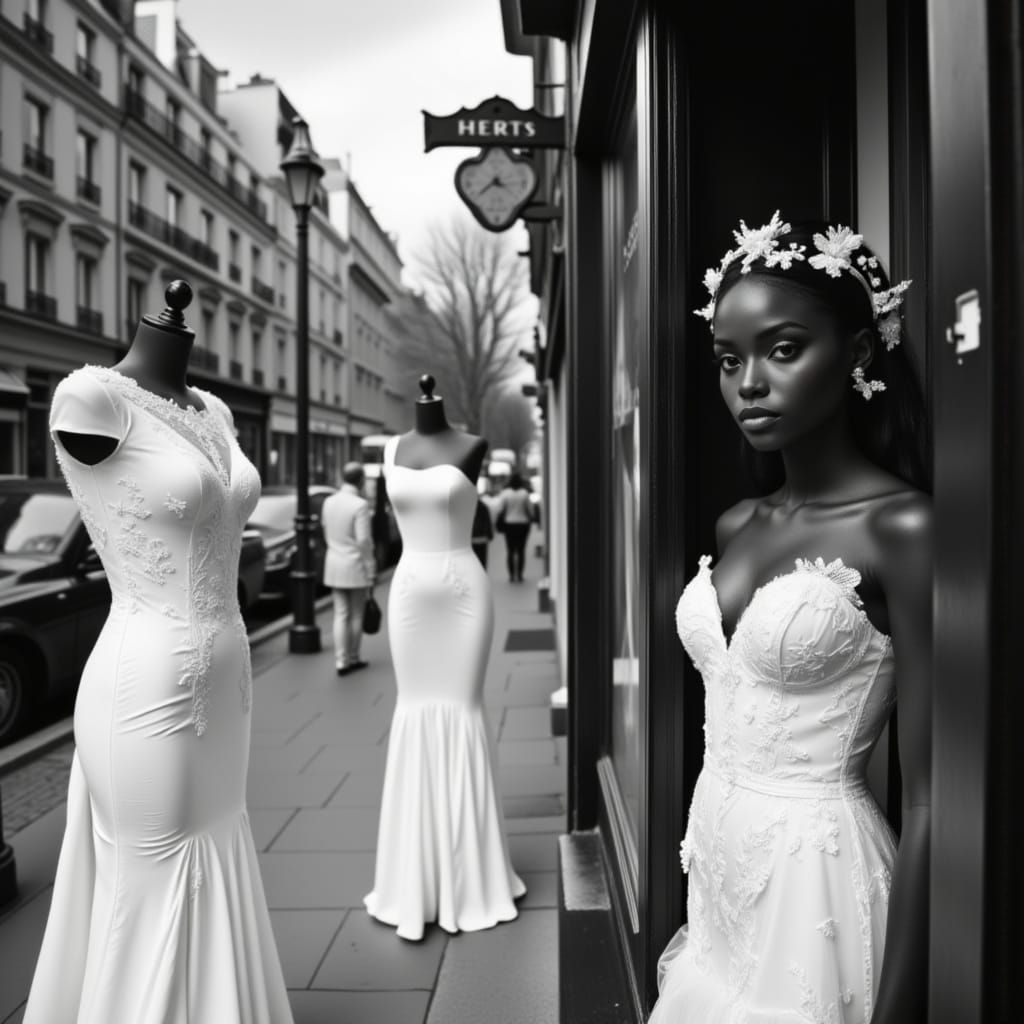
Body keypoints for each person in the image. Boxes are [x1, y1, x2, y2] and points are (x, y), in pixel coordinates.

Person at [650, 214, 931, 1023]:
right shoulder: (737, 524)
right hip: (718, 870)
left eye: (782, 349)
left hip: (819, 891)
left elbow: (933, 797)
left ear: (858, 351)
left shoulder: (902, 528)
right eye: (728, 359)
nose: (749, 384)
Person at [26, 282, 293, 1023]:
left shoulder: (216, 411)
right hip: (145, 682)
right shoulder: (91, 400)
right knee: (155, 874)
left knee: (218, 843)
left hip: (228, 684)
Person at [365, 375, 525, 941]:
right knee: (413, 712)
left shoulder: (473, 445)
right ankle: (412, 881)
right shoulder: (390, 449)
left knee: (462, 712)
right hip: (410, 593)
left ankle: (471, 878)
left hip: (462, 594)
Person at [322, 462, 377, 676]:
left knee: (340, 613)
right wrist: (371, 568)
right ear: (361, 480)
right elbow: (364, 541)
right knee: (356, 614)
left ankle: (340, 661)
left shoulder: (328, 502)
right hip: (354, 564)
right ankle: (353, 657)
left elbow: (326, 530)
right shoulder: (360, 505)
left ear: (342, 477)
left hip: (334, 563)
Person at [496, 472, 534, 582]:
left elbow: (499, 509)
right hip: (523, 524)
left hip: (509, 524)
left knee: (510, 550)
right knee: (521, 550)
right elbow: (530, 510)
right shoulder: (524, 493)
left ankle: (511, 576)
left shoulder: (505, 493)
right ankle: (520, 575)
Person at [471, 495, 495, 568]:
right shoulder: (484, 507)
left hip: (471, 538)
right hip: (482, 538)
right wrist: (490, 535)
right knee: (482, 560)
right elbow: (487, 522)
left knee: (473, 561)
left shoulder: (467, 508)